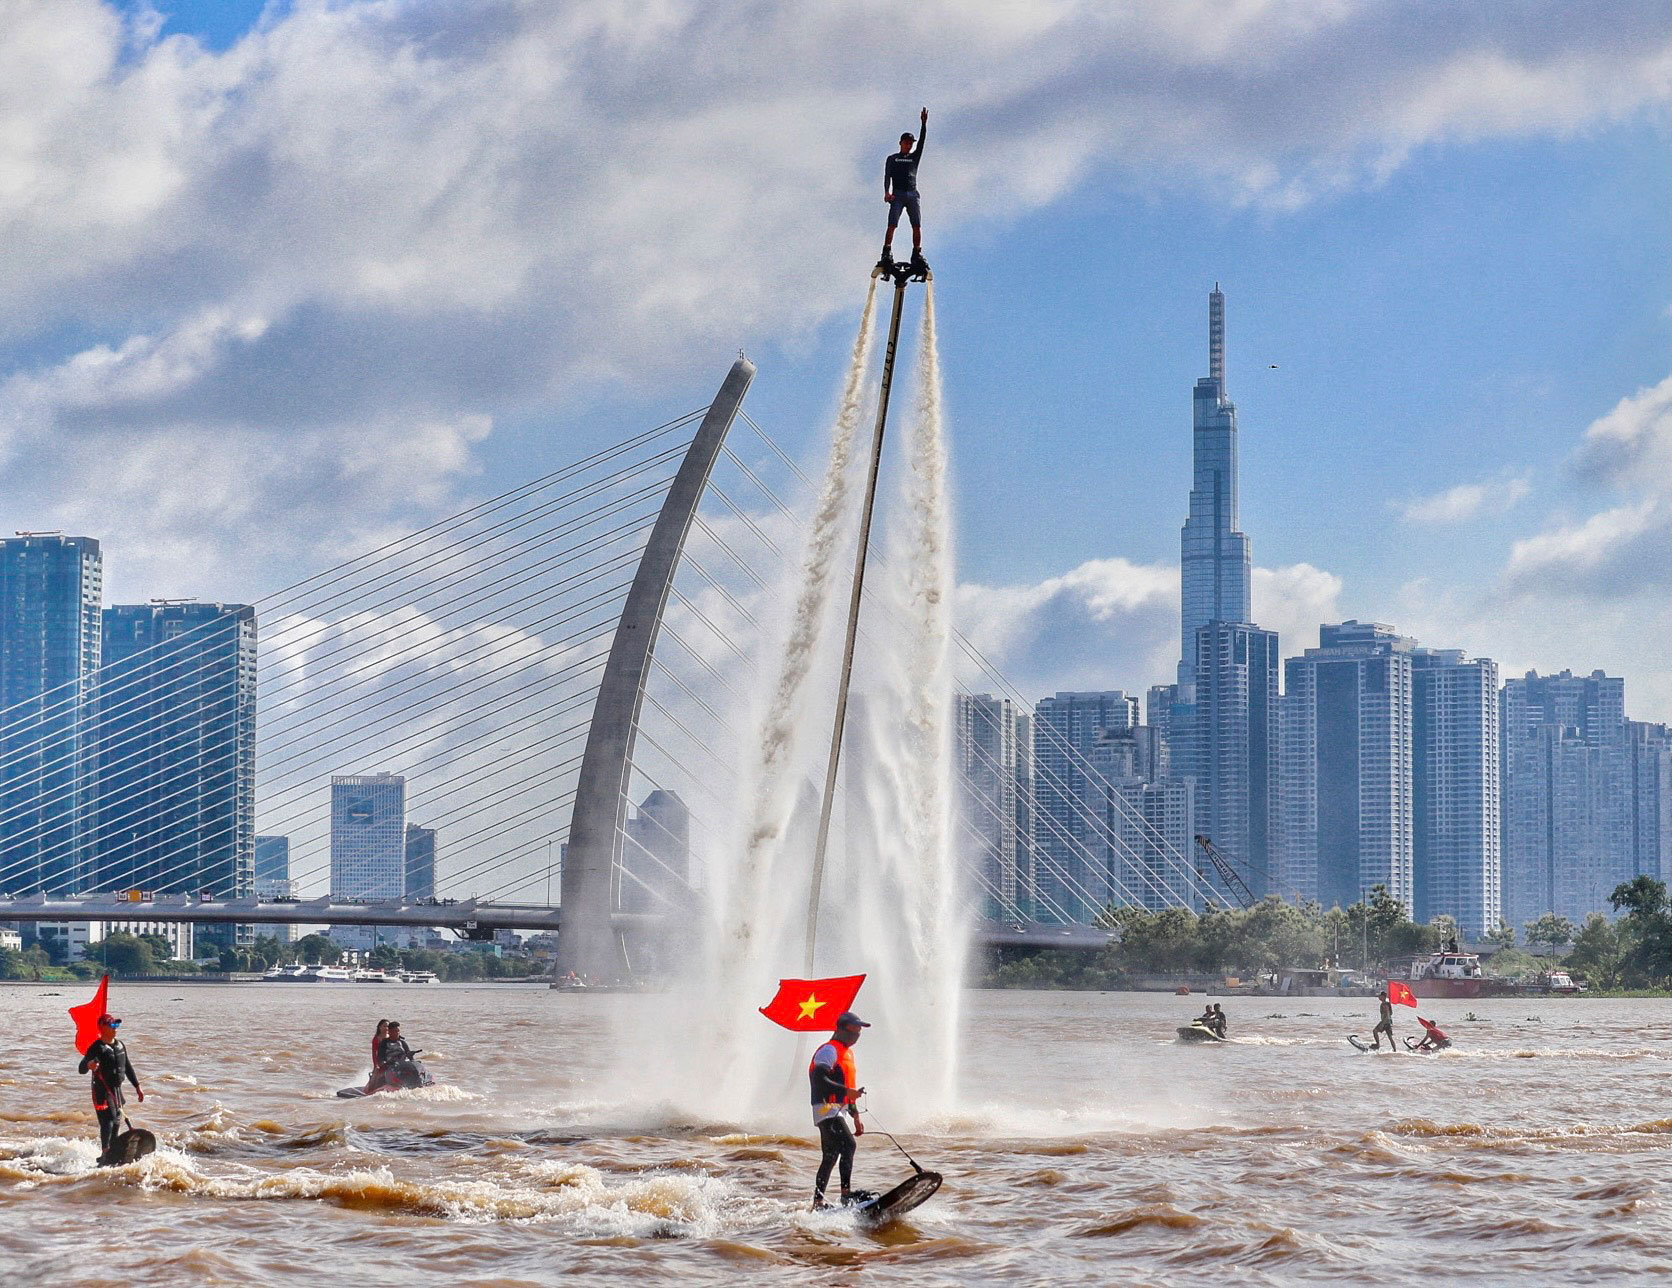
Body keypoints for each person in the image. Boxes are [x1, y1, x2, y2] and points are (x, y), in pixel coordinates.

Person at [809, 1010, 869, 1210]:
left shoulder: (847, 1053)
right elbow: (819, 1078)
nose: (857, 1035)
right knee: (849, 1145)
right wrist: (846, 1091)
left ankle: (818, 1202)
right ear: (841, 1029)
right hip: (826, 1107)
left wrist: (856, 1116)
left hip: (839, 1109)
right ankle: (845, 1196)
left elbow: (849, 1087)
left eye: (860, 1031)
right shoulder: (829, 1050)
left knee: (831, 1155)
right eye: (854, 1030)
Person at [78, 1014, 143, 1160]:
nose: (115, 1029)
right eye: (111, 1025)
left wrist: (137, 1086)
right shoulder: (96, 1047)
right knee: (109, 1119)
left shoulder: (120, 1045)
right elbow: (81, 1068)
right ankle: (105, 1151)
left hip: (116, 1090)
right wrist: (89, 1065)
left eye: (116, 1025)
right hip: (101, 1090)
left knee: (117, 1119)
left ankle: (112, 1150)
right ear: (101, 1028)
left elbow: (127, 1066)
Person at [878, 107, 929, 274]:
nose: (909, 145)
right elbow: (887, 176)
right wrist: (887, 192)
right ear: (901, 143)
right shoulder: (892, 158)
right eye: (906, 142)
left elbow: (922, 142)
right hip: (898, 194)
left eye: (910, 143)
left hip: (912, 194)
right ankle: (886, 250)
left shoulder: (914, 157)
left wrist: (923, 124)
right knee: (892, 224)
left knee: (917, 225)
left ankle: (917, 252)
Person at [365, 1019, 390, 1093]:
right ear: (380, 1027)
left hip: (389, 1059)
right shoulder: (376, 1039)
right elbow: (374, 1053)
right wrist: (376, 1065)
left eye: (388, 1026)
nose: (386, 1028)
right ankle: (370, 1090)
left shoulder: (390, 1037)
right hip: (380, 1060)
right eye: (384, 1026)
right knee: (376, 1074)